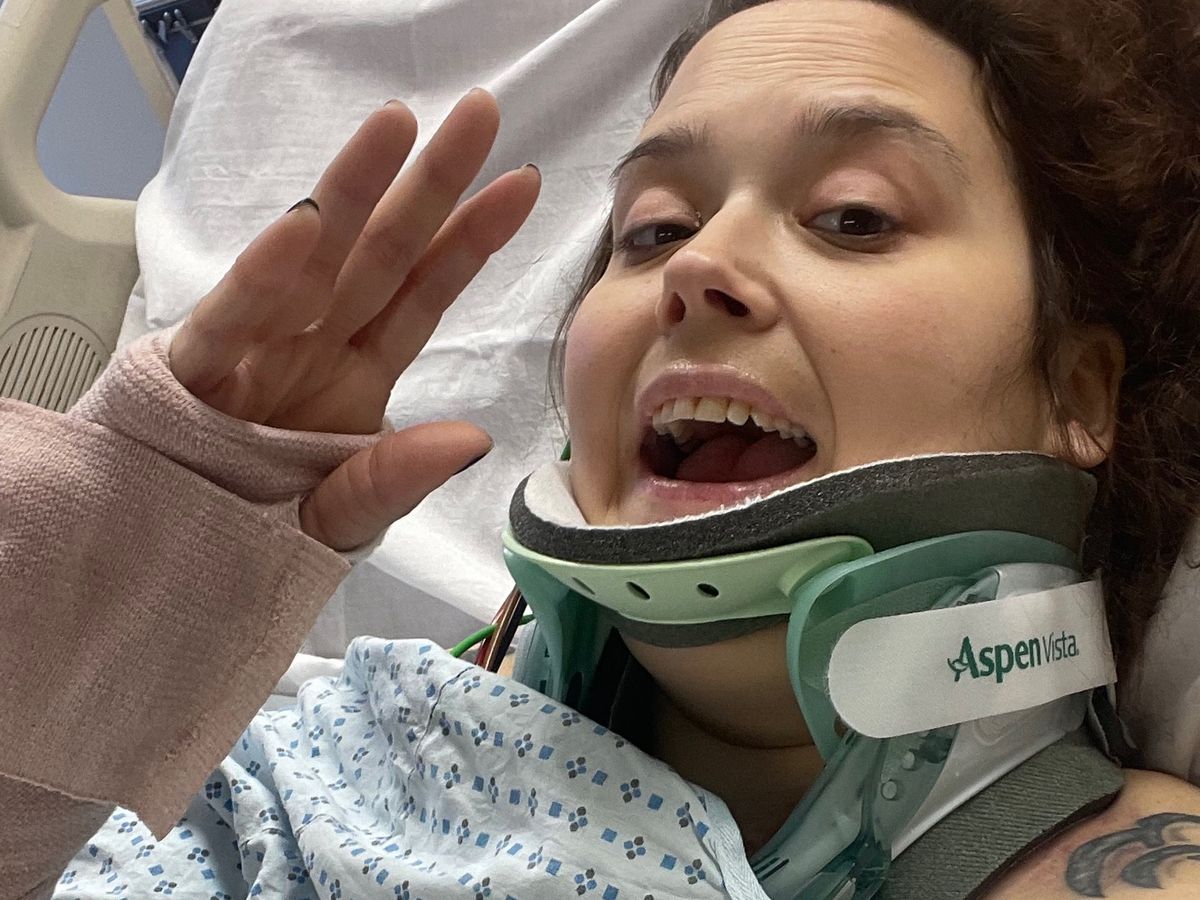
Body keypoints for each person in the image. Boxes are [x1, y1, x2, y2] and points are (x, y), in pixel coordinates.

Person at [3, 0, 1199, 897]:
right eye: (653, 229)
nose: (699, 266)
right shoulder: (343, 764)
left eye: (853, 215)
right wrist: (41, 737)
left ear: (1076, 391)